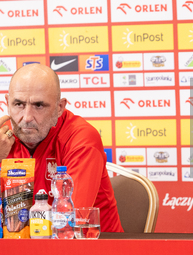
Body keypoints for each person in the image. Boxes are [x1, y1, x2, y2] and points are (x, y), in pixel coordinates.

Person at [0, 64, 123, 232]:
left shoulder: (81, 138)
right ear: (7, 103)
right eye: (19, 104)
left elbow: (68, 225)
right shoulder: (3, 138)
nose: (27, 117)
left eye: (39, 105)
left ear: (60, 108)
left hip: (90, 246)